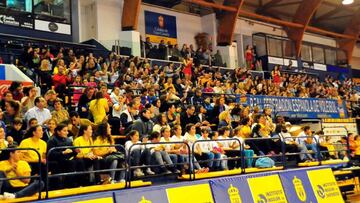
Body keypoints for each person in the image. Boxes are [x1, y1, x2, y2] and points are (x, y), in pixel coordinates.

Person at [46, 123, 78, 189]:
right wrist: (62, 153)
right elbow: (50, 154)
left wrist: (75, 151)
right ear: (58, 132)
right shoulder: (52, 140)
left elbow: (72, 151)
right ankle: (56, 186)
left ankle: (71, 184)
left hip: (66, 160)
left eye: (67, 131)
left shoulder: (68, 140)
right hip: (54, 160)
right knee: (56, 164)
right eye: (64, 131)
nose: (67, 133)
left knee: (76, 162)